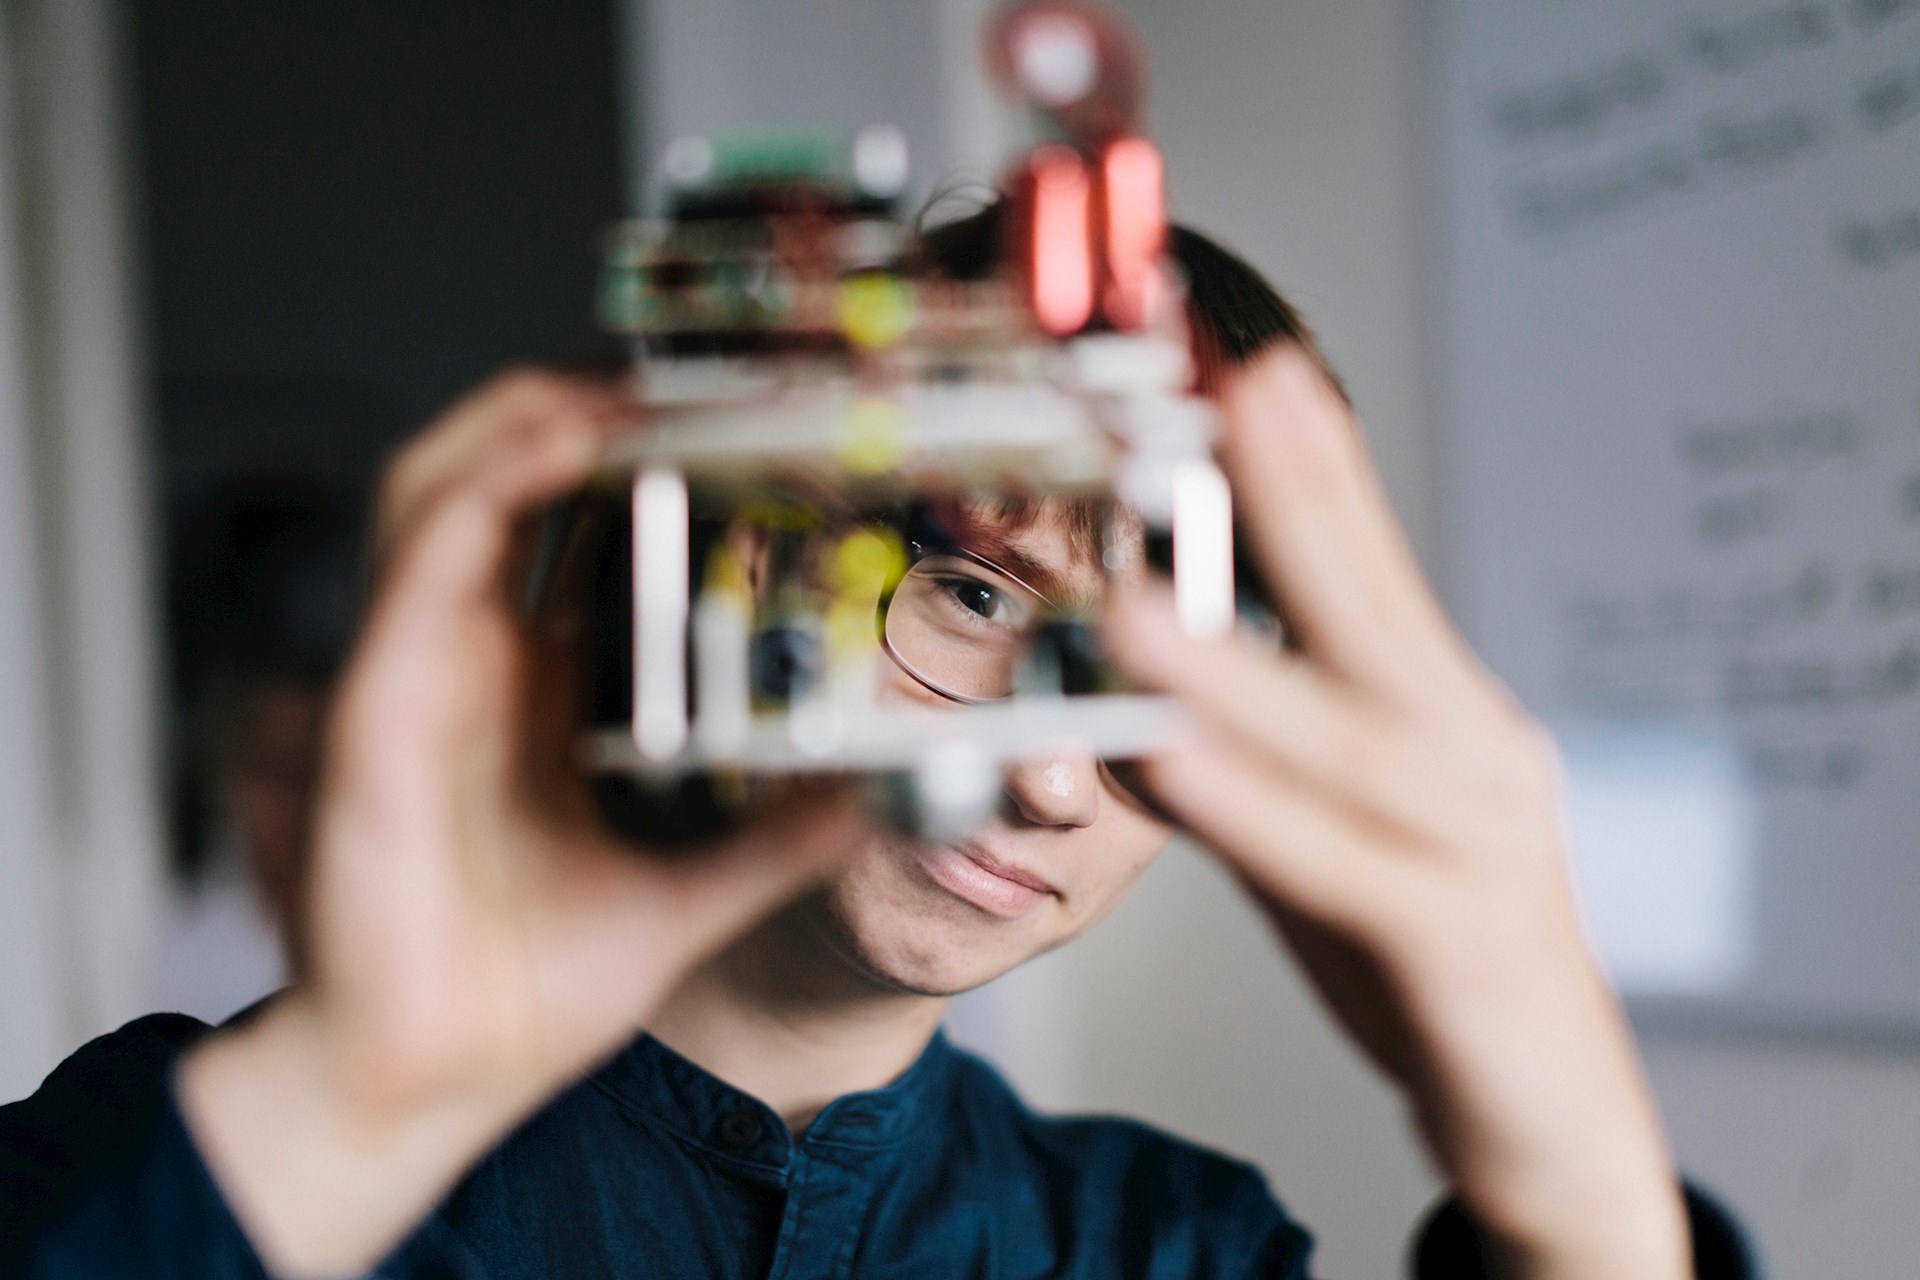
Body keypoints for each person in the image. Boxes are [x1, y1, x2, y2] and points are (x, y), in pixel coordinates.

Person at [0, 213, 1754, 1279]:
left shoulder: (1178, 1252)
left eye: (1156, 680)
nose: (1054, 778)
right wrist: (341, 1118)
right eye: (974, 599)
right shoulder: (219, 1159)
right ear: (745, 570)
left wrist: (1588, 1222)